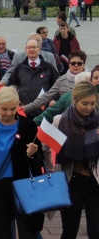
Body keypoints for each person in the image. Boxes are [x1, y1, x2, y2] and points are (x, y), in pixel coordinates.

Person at [0, 86, 44, 238]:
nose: (9, 113)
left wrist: (32, 154)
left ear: (18, 105)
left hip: (22, 187)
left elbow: (39, 162)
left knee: (29, 232)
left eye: (13, 109)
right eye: (4, 109)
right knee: (1, 233)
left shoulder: (28, 126)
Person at [55, 81, 99, 239]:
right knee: (69, 231)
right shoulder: (62, 120)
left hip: (95, 181)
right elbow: (56, 153)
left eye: (93, 104)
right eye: (85, 103)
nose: (89, 108)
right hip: (72, 181)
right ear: (75, 100)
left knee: (96, 231)